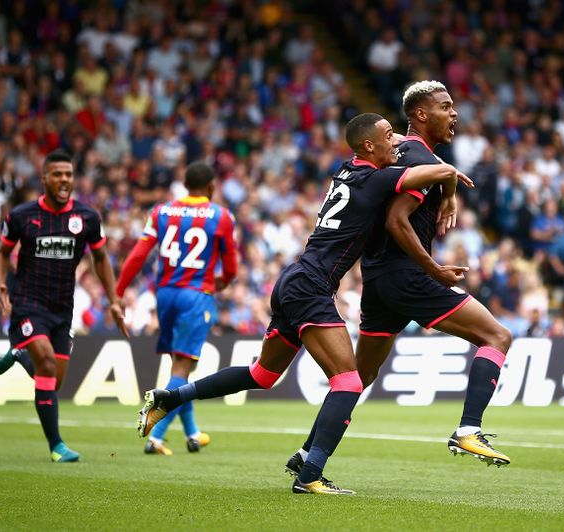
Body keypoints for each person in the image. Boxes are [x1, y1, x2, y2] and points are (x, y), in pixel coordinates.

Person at [137, 113, 472, 495]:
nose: (395, 141)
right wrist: (448, 177)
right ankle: (310, 475)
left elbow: (403, 158)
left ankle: (170, 397)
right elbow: (429, 171)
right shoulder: (375, 178)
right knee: (349, 382)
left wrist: (438, 175)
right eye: (387, 136)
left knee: (262, 375)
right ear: (368, 146)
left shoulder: (348, 171)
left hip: (293, 281)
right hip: (311, 286)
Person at [285, 81, 513, 474]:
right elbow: (396, 220)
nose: (454, 113)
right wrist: (434, 270)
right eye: (445, 106)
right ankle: (469, 429)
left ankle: (309, 453)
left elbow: (430, 180)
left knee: (360, 375)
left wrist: (450, 187)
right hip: (405, 275)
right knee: (497, 336)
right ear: (421, 115)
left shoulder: (405, 153)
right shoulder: (417, 157)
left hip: (378, 279)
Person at [0, 149, 128, 462]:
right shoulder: (21, 216)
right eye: (57, 174)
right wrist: (1, 283)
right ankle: (57, 446)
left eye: (68, 174)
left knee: (54, 381)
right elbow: (1, 254)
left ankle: (18, 354)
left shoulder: (88, 217)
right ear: (44, 179)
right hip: (28, 303)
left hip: (62, 308)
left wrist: (114, 300)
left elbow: (100, 259)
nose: (64, 179)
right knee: (47, 365)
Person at [116, 161, 238, 456]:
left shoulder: (161, 211)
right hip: (195, 295)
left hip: (166, 295)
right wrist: (221, 282)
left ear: (185, 186)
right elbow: (231, 267)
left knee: (179, 368)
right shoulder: (220, 215)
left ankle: (192, 433)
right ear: (210, 187)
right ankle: (155, 436)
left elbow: (138, 254)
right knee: (183, 369)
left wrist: (117, 291)